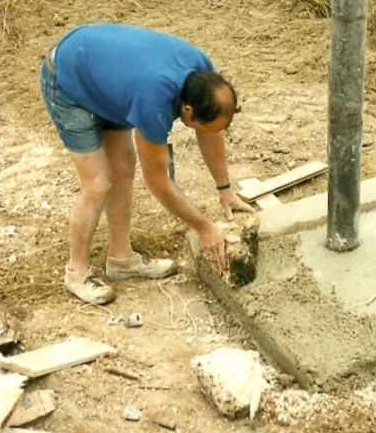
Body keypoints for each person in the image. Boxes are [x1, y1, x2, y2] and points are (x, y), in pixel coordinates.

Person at [39, 23, 255, 305]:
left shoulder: (203, 75)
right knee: (98, 183)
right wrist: (205, 228)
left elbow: (209, 130)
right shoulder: (154, 103)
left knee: (123, 169)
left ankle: (121, 260)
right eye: (198, 124)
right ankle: (76, 273)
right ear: (187, 111)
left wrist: (225, 190)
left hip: (109, 78)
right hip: (69, 80)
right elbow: (158, 181)